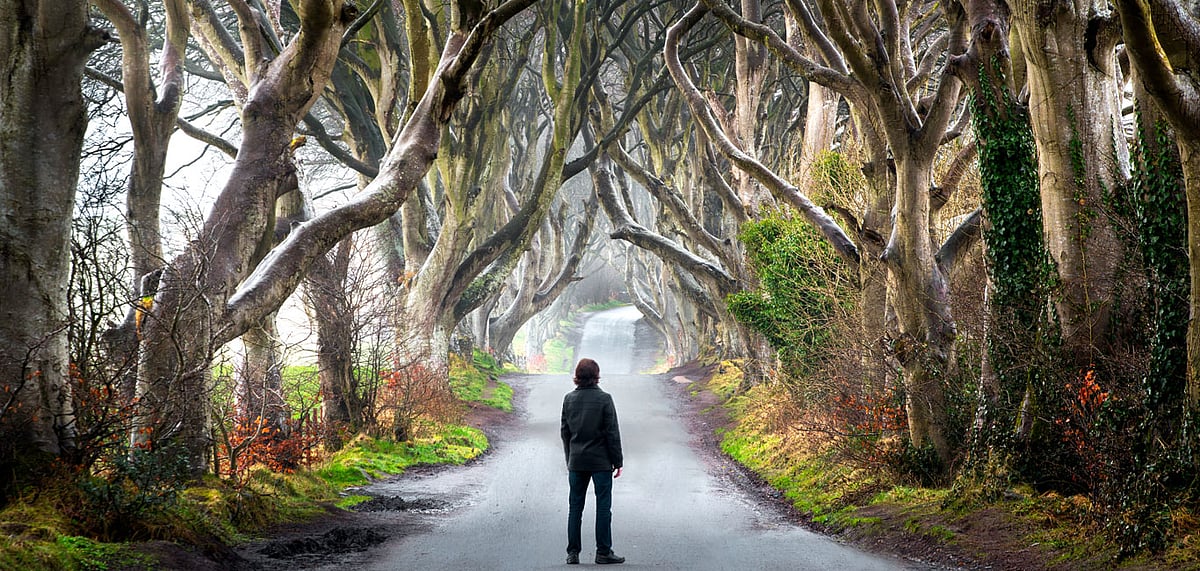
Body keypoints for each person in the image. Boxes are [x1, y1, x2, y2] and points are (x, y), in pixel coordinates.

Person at [560, 358, 625, 565]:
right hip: (601, 462)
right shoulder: (605, 399)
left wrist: (570, 457)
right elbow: (612, 433)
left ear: (577, 375)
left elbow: (565, 432)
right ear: (596, 375)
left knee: (575, 507)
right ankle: (603, 552)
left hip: (577, 461)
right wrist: (618, 461)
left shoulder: (568, 399)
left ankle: (573, 553)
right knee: (603, 507)